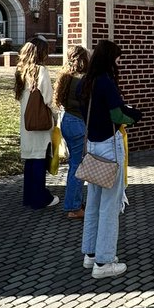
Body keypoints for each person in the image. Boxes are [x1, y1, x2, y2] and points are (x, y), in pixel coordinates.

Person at [79, 40, 140, 277]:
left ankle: (91, 253)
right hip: (109, 147)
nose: (119, 62)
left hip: (92, 146)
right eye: (117, 58)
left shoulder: (85, 82)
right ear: (109, 59)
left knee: (93, 202)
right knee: (110, 206)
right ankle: (104, 263)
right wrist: (134, 116)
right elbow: (117, 115)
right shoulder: (106, 82)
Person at [15, 35, 60, 210]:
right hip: (40, 123)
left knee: (30, 161)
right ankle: (41, 198)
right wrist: (56, 115)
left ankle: (29, 197)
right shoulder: (41, 71)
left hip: (26, 121)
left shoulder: (21, 70)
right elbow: (48, 98)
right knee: (40, 159)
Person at [55, 45, 90, 219]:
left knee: (74, 165)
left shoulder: (66, 76)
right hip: (77, 123)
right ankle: (74, 207)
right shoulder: (83, 79)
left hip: (67, 120)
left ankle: (75, 203)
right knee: (78, 166)